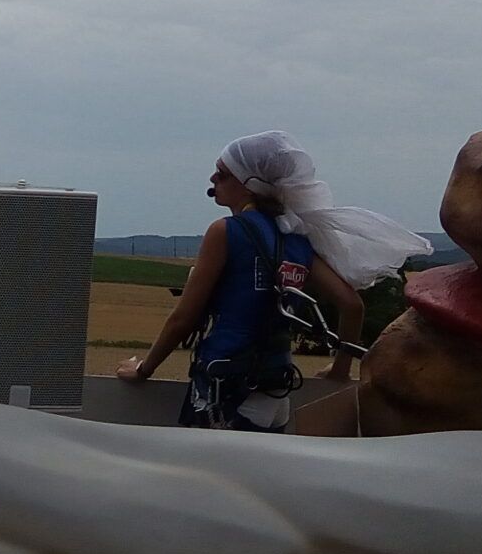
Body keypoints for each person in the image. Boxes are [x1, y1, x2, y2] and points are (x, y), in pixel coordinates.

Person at [114, 131, 428, 431]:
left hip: (227, 387)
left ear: (249, 184)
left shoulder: (225, 231)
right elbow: (352, 305)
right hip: (276, 392)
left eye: (222, 173)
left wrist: (144, 369)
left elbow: (183, 318)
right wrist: (340, 369)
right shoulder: (297, 239)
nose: (212, 179)